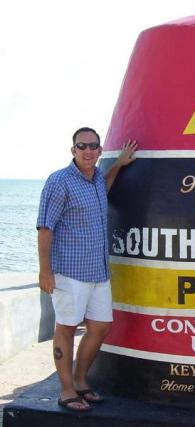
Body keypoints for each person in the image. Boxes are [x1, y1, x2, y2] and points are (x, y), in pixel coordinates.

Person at [37, 127, 138, 412]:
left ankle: (81, 381)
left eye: (93, 146)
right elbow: (45, 228)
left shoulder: (94, 180)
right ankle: (67, 390)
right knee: (66, 328)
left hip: (97, 272)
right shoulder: (59, 181)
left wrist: (118, 165)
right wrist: (45, 271)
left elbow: (103, 189)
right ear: (73, 150)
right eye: (82, 146)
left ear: (99, 150)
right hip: (68, 271)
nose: (88, 151)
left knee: (101, 326)